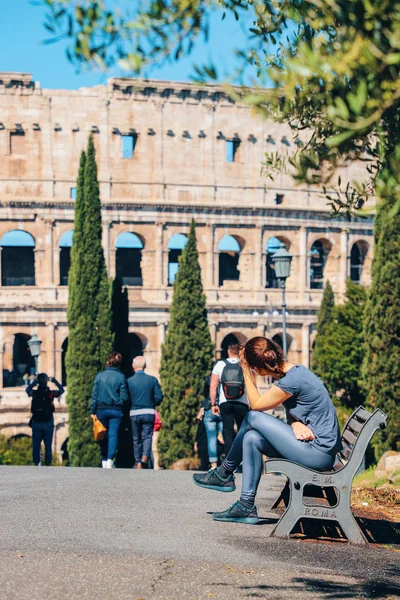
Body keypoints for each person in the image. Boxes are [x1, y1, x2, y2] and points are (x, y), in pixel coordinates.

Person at [193, 336, 342, 524]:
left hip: (319, 453)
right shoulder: (294, 373)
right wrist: (295, 423)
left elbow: (255, 406)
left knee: (252, 417)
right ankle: (246, 505)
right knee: (252, 439)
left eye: (256, 369)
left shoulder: (290, 381)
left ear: (262, 367)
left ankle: (224, 473)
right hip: (314, 448)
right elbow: (297, 410)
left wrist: (246, 369)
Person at [90, 352, 129, 469]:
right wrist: (119, 403)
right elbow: (125, 397)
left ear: (108, 362)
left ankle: (103, 458)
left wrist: (92, 411)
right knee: (113, 435)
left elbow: (95, 395)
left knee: (102, 435)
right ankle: (110, 460)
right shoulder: (121, 377)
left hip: (101, 409)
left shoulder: (100, 376)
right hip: (116, 410)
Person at [210, 344, 248, 455]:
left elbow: (213, 387)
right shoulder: (244, 364)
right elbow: (252, 385)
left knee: (227, 431)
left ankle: (229, 462)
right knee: (243, 431)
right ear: (241, 352)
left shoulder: (220, 364)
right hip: (242, 402)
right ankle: (244, 457)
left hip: (225, 402)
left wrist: (213, 404)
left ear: (228, 351)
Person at [127, 356, 163, 469]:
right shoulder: (152, 380)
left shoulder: (129, 381)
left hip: (134, 412)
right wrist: (152, 403)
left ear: (133, 366)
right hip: (148, 411)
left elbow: (126, 398)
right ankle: (145, 457)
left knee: (136, 438)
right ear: (145, 366)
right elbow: (159, 397)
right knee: (147, 436)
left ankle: (138, 461)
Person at [26, 373, 64, 466]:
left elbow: (27, 390)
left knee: (36, 444)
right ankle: (48, 463)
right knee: (48, 445)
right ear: (47, 381)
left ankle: (36, 462)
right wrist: (55, 381)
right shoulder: (50, 393)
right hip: (48, 421)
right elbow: (61, 390)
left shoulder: (35, 393)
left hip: (36, 421)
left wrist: (34, 382)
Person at [202, 374, 224, 469]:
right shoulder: (226, 377)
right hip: (222, 408)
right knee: (227, 437)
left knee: (211, 439)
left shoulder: (209, 378)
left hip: (210, 408)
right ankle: (229, 463)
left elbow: (205, 393)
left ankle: (213, 464)